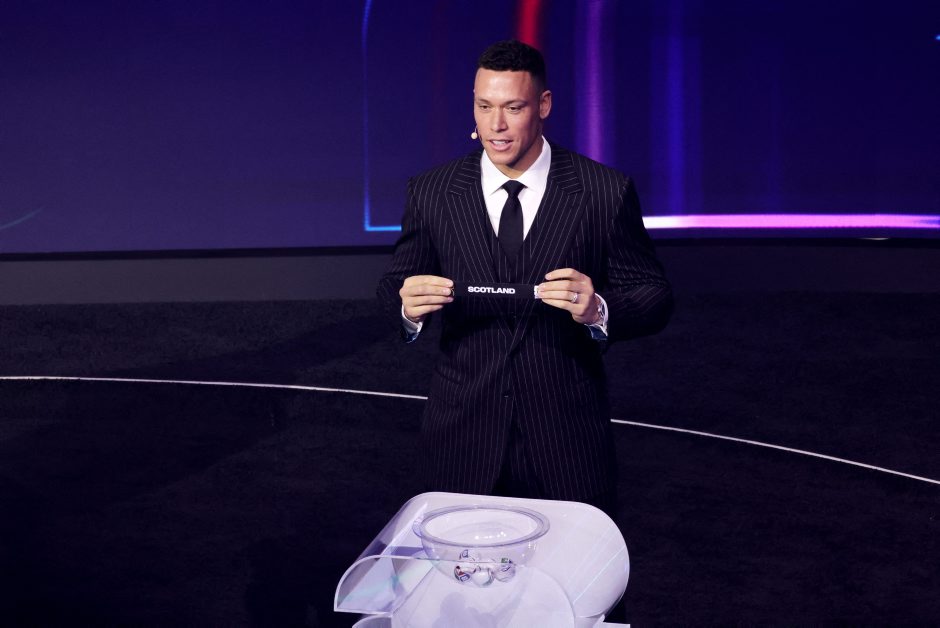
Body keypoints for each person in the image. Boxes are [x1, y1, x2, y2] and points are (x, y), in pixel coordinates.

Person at [377, 39, 672, 516]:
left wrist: (599, 309)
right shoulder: (432, 191)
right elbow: (393, 287)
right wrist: (406, 307)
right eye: (484, 106)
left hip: (567, 441)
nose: (496, 125)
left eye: (513, 108)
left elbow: (654, 295)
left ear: (544, 105)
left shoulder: (603, 191)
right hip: (461, 440)